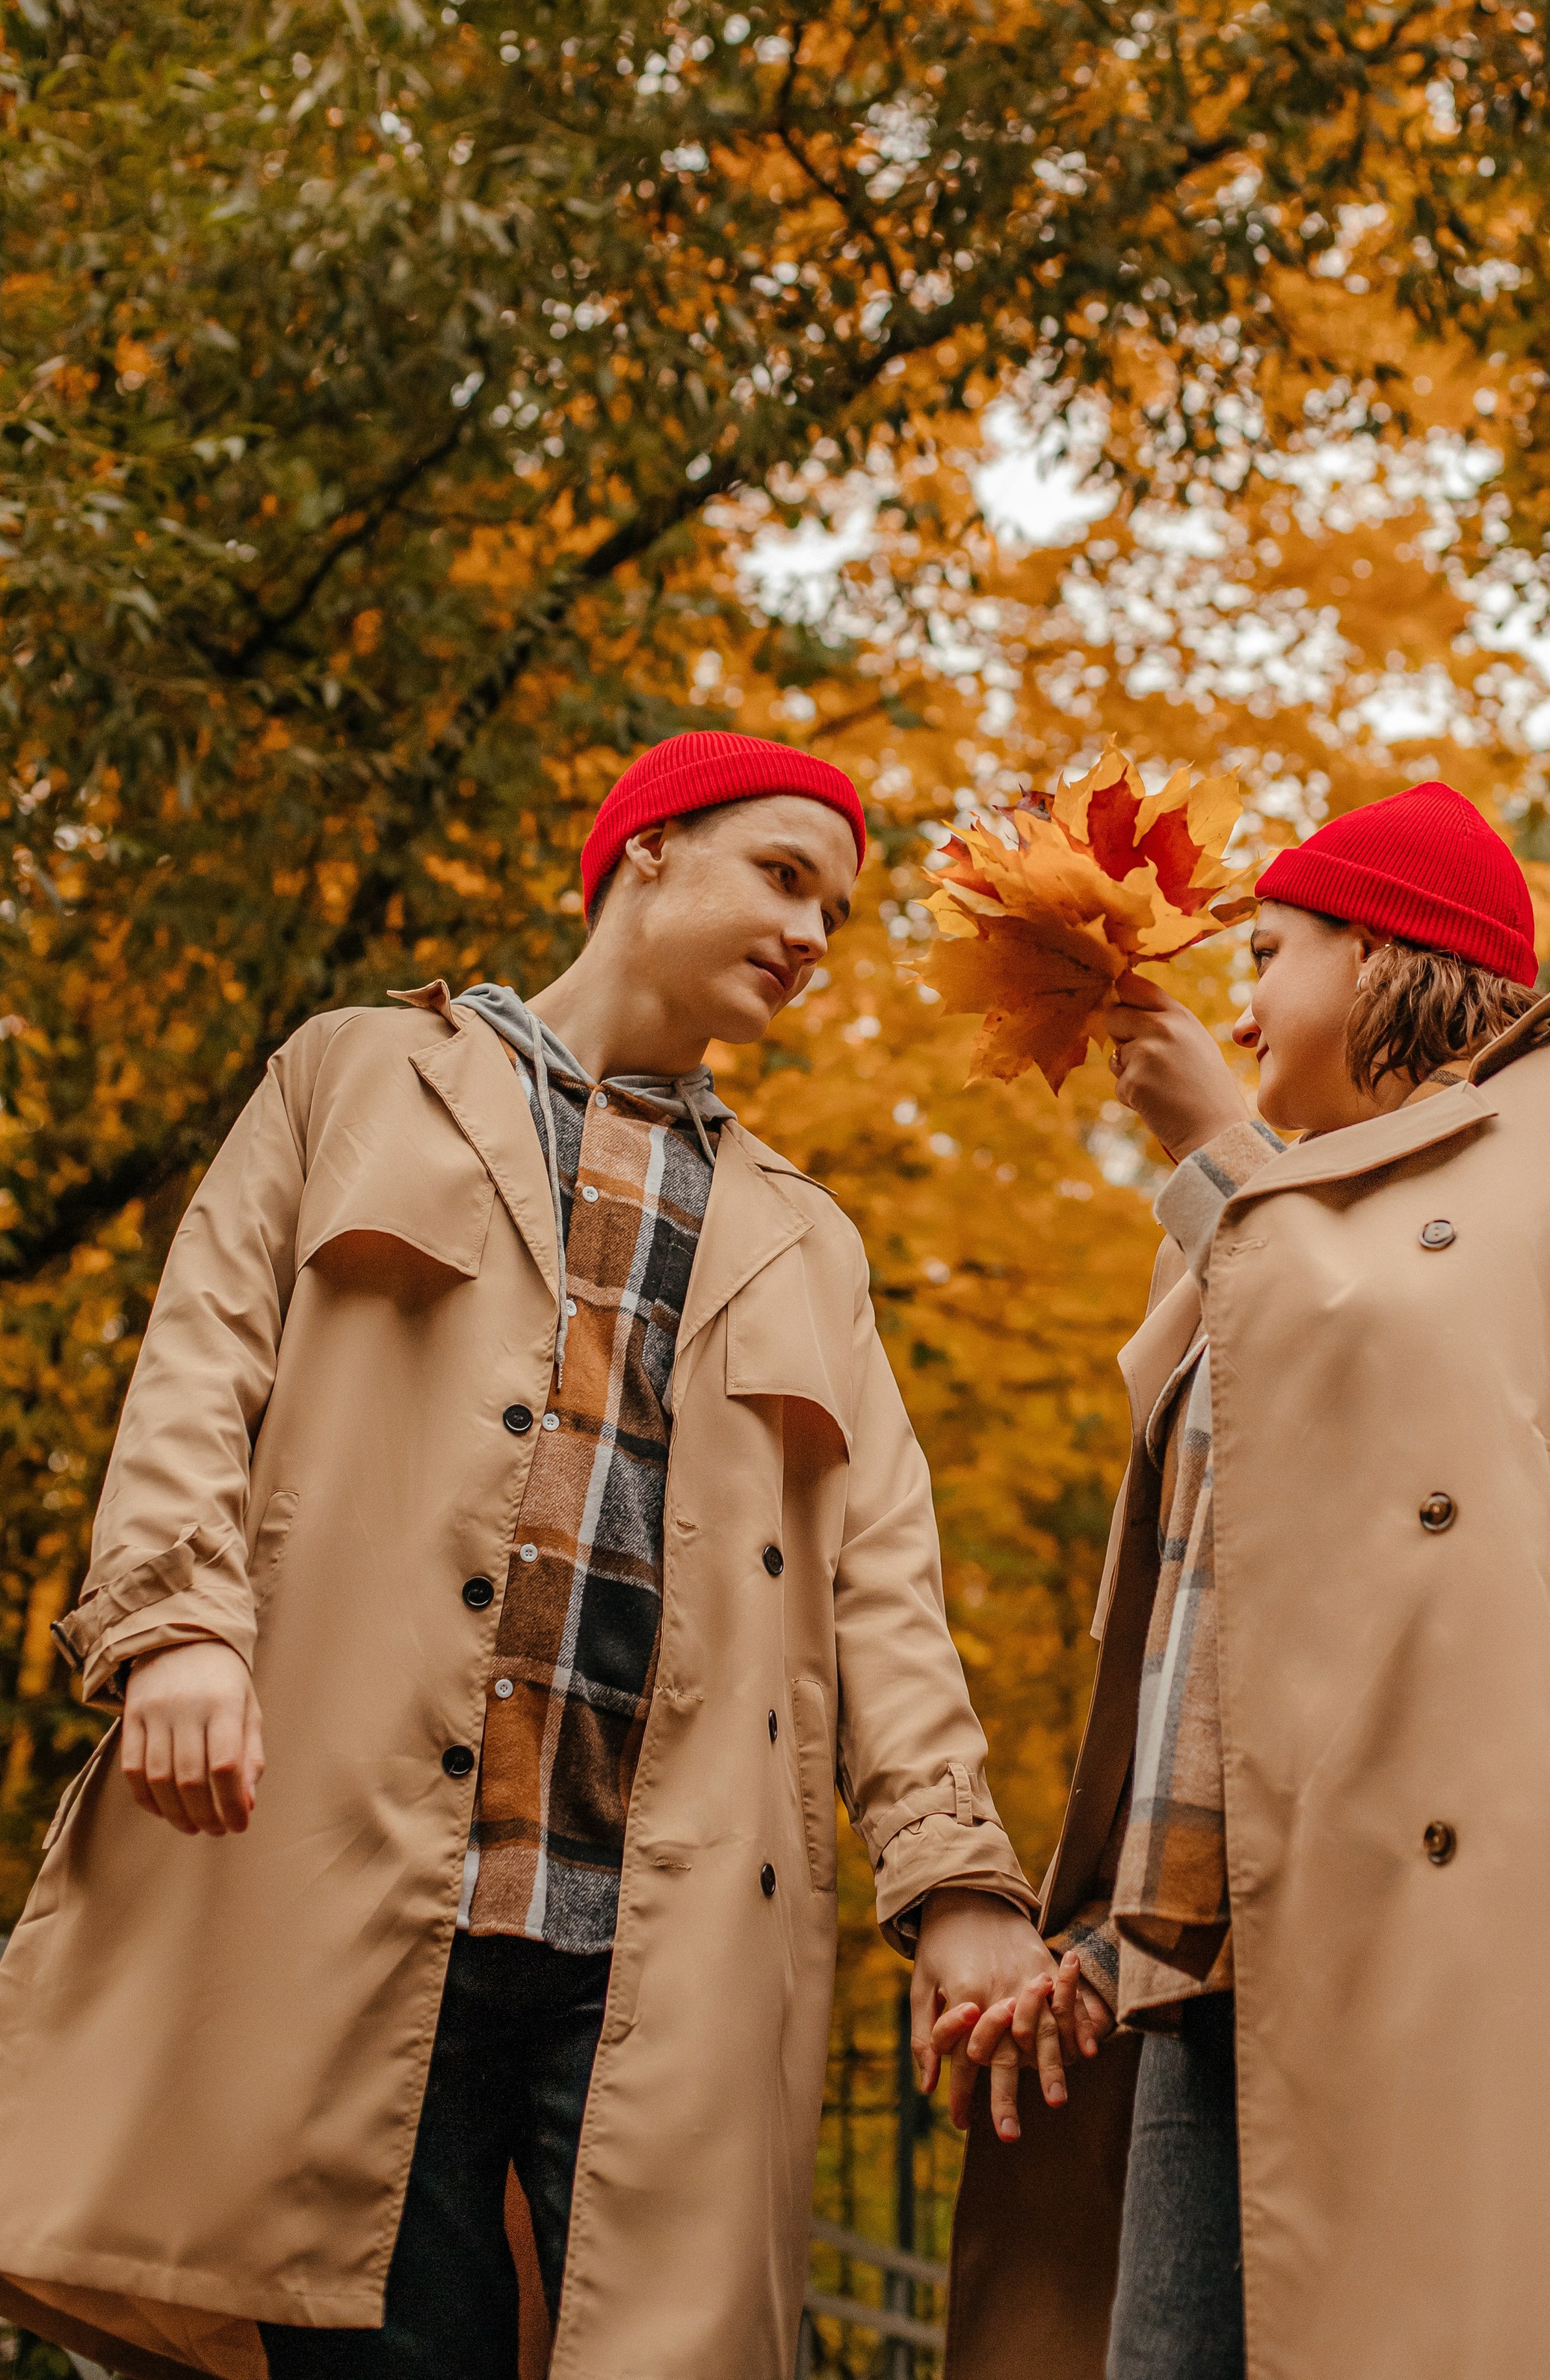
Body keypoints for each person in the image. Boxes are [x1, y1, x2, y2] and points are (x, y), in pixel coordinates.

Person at [0, 729, 1061, 2380]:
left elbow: (882, 1590)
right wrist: (177, 1628)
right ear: (645, 849)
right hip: (348, 1878)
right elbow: (200, 1365)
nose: (807, 935)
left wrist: (958, 1880)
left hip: (668, 1935)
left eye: (834, 914)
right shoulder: (352, 1075)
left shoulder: (808, 1236)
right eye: (781, 876)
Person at [942, 780, 1550, 2380]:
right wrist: (1100, 1940)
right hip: (1224, 1966)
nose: (1241, 994)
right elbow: (1208, 1633)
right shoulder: (1258, 1225)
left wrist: (1218, 1154)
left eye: (1268, 949)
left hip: (1476, 1929)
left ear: (1381, 955)